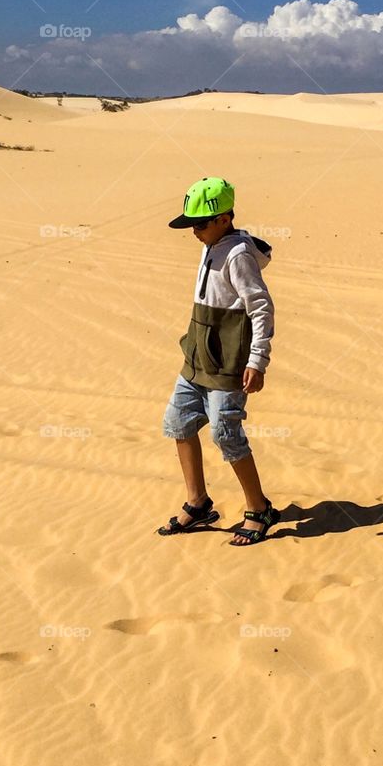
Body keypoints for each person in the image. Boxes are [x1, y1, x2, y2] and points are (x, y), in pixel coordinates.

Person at [158, 176, 277, 546]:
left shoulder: (237, 254)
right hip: (197, 355)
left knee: (226, 434)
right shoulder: (212, 243)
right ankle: (198, 503)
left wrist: (257, 361)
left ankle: (259, 509)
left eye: (200, 224)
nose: (194, 231)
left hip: (228, 361)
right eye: (191, 224)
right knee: (178, 422)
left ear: (224, 219)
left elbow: (261, 307)